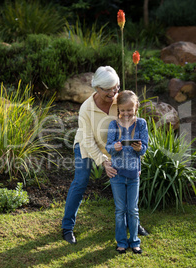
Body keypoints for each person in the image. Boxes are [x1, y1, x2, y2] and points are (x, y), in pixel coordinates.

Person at [61, 66, 148, 245]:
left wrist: (135, 162)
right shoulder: (86, 109)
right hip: (87, 146)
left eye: (115, 87)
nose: (113, 92)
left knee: (127, 181)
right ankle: (67, 228)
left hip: (115, 147)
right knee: (81, 181)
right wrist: (104, 162)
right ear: (97, 88)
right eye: (107, 89)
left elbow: (133, 128)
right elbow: (87, 140)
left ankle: (133, 224)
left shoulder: (120, 100)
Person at [105, 90, 149, 254]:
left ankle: (135, 241)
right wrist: (114, 148)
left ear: (136, 107)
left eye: (129, 110)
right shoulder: (113, 125)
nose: (126, 113)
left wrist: (139, 148)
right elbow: (109, 146)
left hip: (133, 174)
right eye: (122, 110)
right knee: (120, 210)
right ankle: (122, 242)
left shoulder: (141, 124)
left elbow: (143, 149)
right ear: (118, 110)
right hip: (117, 173)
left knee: (133, 209)